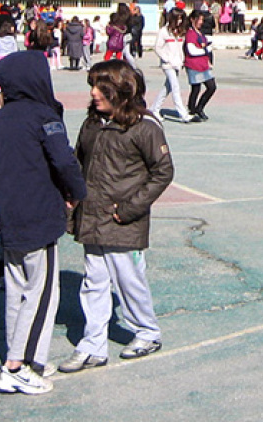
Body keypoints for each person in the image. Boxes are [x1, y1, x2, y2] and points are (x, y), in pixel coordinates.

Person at [0, 51, 86, 396]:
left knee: (17, 292)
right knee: (41, 294)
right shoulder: (43, 116)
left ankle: (29, 355)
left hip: (8, 217)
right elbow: (64, 161)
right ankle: (17, 365)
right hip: (38, 215)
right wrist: (76, 192)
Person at [58, 60, 175, 373]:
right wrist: (72, 196)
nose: (94, 93)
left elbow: (163, 171)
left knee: (128, 280)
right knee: (93, 282)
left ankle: (147, 332)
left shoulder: (144, 126)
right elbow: (78, 160)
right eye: (92, 86)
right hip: (92, 217)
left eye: (101, 87)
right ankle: (93, 344)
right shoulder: (93, 124)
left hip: (123, 220)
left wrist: (129, 208)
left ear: (121, 91)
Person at [152, 9, 195, 123]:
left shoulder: (180, 31)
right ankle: (183, 114)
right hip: (168, 65)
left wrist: (182, 60)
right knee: (175, 87)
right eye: (177, 18)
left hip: (177, 64)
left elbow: (180, 48)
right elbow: (157, 48)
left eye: (181, 18)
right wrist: (166, 59)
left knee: (167, 88)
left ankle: (154, 109)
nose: (180, 21)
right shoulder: (164, 31)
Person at [184, 11, 217, 121]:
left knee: (212, 87)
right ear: (193, 19)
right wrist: (206, 50)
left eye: (202, 20)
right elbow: (192, 51)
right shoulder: (190, 34)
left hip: (203, 65)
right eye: (200, 20)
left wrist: (209, 60)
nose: (201, 22)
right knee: (196, 89)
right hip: (194, 65)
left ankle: (199, 107)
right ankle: (192, 110)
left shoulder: (200, 33)